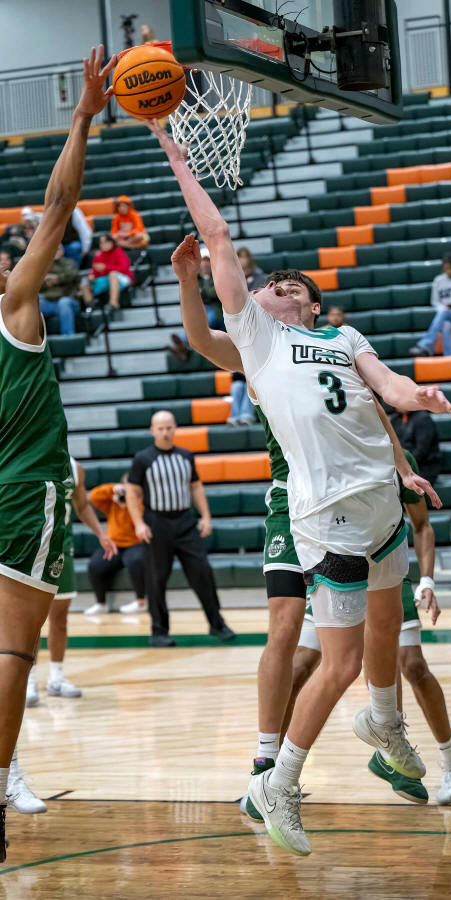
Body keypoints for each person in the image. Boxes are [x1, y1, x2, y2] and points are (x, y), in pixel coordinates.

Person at [151, 117, 451, 856]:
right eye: (269, 282)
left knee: (384, 633)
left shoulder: (344, 339)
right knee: (338, 660)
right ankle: (277, 781)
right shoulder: (258, 340)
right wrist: (174, 152)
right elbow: (218, 237)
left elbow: (386, 387)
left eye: (293, 285)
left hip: (382, 506)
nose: (276, 285)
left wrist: (418, 397)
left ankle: (383, 723)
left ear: (314, 306)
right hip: (328, 513)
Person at [0, 44, 115, 863]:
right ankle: (1, 778)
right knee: (15, 650)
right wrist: (80, 118)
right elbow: (58, 205)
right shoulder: (14, 310)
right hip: (24, 492)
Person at [283, 449, 451, 806]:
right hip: (335, 566)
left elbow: (421, 525)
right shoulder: (320, 448)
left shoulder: (397, 457)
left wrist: (427, 580)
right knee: (300, 666)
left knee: (412, 664)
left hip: (383, 571)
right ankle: (272, 775)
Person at [126, 411, 235, 647]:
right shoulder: (142, 459)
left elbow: (196, 487)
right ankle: (159, 631)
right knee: (156, 580)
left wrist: (205, 516)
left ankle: (217, 624)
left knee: (202, 573)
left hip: (185, 522)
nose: (165, 432)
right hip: (156, 523)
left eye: (169, 428)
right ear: (152, 430)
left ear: (175, 428)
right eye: (160, 428)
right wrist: (139, 524)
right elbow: (132, 493)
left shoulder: (186, 456)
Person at [26, 457, 117, 706]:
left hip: (61, 548)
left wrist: (101, 534)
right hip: (29, 548)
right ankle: (28, 679)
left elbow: (82, 505)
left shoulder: (75, 468)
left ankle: (56, 678)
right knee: (30, 619)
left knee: (60, 617)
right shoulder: (27, 457)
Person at [85, 475, 148, 616]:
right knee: (95, 565)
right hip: (114, 545)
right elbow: (92, 496)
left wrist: (131, 503)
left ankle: (141, 602)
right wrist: (112, 489)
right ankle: (101, 603)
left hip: (136, 543)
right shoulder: (114, 500)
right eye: (126, 487)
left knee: (135, 561)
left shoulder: (145, 501)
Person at [410, 255, 451, 358]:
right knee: (446, 326)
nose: (449, 271)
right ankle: (450, 359)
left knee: (445, 312)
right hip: (444, 316)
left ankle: (425, 345)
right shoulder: (438, 280)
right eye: (446, 268)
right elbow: (435, 302)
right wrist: (444, 308)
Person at [390, 410, 442, 487]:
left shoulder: (423, 418)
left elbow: (422, 450)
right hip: (401, 465)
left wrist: (403, 463)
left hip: (423, 467)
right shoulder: (395, 418)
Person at [81, 233, 133, 310]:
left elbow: (124, 268)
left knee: (112, 274)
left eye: (105, 242)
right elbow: (94, 272)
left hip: (122, 279)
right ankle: (91, 307)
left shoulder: (118, 252)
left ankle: (113, 304)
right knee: (84, 281)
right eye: (101, 243)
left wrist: (106, 267)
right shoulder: (98, 256)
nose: (103, 245)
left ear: (111, 243)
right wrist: (91, 276)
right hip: (105, 281)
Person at [39, 244, 81, 335]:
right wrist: (45, 281)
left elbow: (72, 276)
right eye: (52, 249)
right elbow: (37, 286)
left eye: (58, 249)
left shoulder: (70, 262)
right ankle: (38, 339)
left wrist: (57, 279)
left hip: (69, 300)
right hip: (50, 302)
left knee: (64, 302)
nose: (55, 252)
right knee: (36, 303)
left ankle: (68, 338)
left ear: (62, 251)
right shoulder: (44, 266)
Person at [198, 247, 222, 327]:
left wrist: (206, 279)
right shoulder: (195, 278)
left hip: (215, 309)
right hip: (199, 309)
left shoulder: (218, 276)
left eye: (207, 261)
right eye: (202, 261)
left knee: (207, 321)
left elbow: (214, 293)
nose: (205, 264)